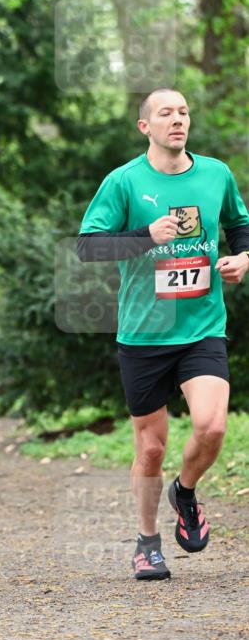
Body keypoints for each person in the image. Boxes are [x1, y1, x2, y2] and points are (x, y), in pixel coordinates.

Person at [77, 87, 249, 582]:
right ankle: (147, 543)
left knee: (212, 427)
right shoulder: (124, 182)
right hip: (144, 335)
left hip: (202, 328)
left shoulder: (215, 174)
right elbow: (88, 247)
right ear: (145, 127)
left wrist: (243, 259)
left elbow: (241, 225)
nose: (177, 120)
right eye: (166, 113)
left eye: (183, 112)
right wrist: (144, 237)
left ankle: (185, 491)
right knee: (150, 449)